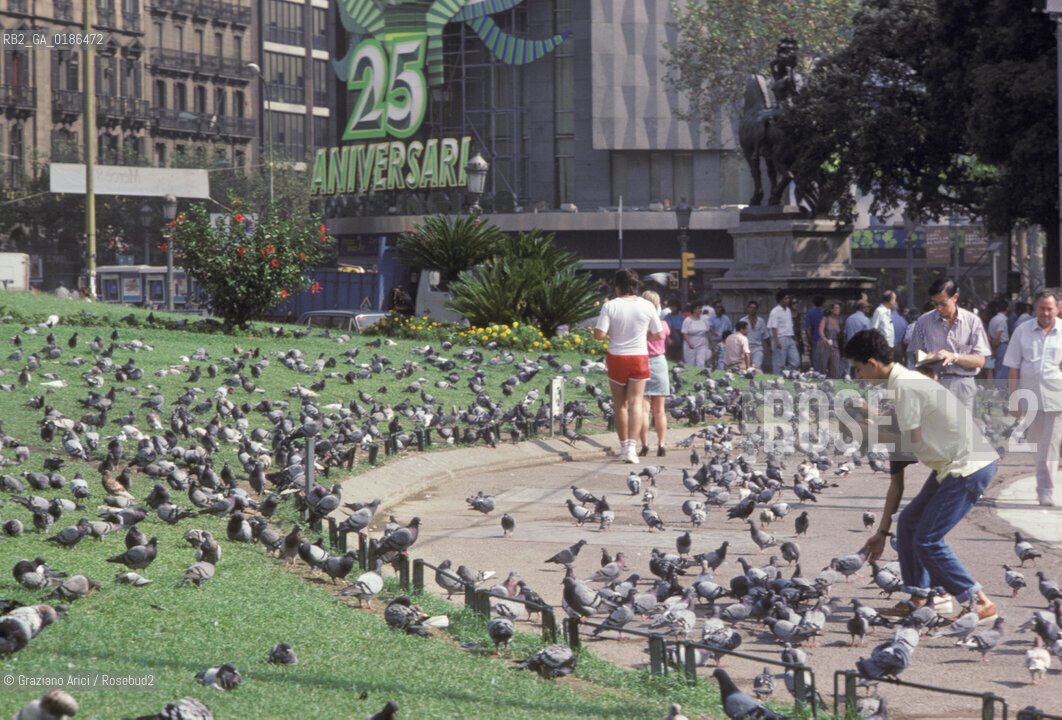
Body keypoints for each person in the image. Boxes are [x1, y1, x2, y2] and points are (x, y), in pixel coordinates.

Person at [846, 329, 999, 622]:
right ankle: (921, 599)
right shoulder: (903, 382)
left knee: (928, 540)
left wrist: (870, 430)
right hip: (954, 465)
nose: (859, 376)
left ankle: (978, 601)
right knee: (909, 524)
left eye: (858, 369)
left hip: (967, 466)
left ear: (872, 363)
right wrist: (881, 532)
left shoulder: (904, 386)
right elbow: (904, 452)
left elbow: (912, 445)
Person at [593, 269, 665, 464]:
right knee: (636, 404)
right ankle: (633, 448)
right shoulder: (647, 305)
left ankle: (624, 446)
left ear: (617, 287)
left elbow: (599, 335)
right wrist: (643, 336)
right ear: (636, 286)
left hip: (617, 357)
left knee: (620, 405)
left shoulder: (610, 306)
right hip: (640, 357)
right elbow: (659, 334)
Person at [1004, 289, 1062, 506]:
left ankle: (1045, 490)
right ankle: (1043, 479)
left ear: (1057, 309)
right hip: (1030, 399)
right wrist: (1013, 398)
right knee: (1036, 444)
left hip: (1057, 398)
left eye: (1050, 309)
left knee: (1050, 446)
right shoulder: (1022, 331)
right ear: (1035, 308)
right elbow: (1013, 368)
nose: (1046, 313)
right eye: (1042, 308)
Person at [906, 277, 991, 410]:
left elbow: (980, 360)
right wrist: (927, 368)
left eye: (943, 303)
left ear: (955, 297)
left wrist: (955, 357)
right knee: (935, 428)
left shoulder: (972, 322)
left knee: (962, 428)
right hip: (934, 384)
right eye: (935, 303)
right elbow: (914, 353)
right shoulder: (924, 322)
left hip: (963, 385)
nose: (939, 308)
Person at [638, 290, 671, 457]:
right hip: (659, 363)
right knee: (659, 410)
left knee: (643, 409)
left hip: (642, 361)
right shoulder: (663, 325)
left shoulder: (639, 324)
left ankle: (644, 444)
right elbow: (665, 335)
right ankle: (662, 444)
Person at [767, 290, 799, 374]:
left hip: (789, 338)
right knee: (779, 363)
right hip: (780, 338)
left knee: (795, 361)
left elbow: (790, 326)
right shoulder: (775, 311)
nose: (788, 300)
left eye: (788, 298)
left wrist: (794, 339)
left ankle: (785, 373)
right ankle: (778, 379)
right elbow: (773, 327)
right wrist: (776, 341)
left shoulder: (788, 310)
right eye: (785, 298)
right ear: (780, 300)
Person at [814, 301, 843, 379]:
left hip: (835, 345)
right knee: (823, 369)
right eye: (836, 308)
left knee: (835, 367)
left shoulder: (839, 321)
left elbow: (840, 333)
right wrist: (824, 338)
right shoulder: (825, 319)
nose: (838, 309)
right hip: (824, 345)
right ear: (831, 309)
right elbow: (820, 330)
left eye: (839, 308)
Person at [986, 298, 1011, 388]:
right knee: (1002, 368)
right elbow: (997, 336)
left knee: (992, 369)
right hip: (1001, 345)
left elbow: (989, 335)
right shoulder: (1003, 319)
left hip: (991, 346)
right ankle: (1000, 389)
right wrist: (995, 347)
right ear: (1007, 308)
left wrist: (991, 348)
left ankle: (991, 389)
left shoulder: (993, 319)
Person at [740, 300, 770, 371]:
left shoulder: (761, 321)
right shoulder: (742, 321)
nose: (752, 310)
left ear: (756, 309)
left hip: (757, 348)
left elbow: (766, 335)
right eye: (750, 308)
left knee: (757, 367)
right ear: (747, 309)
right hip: (746, 347)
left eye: (754, 308)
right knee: (746, 368)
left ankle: (757, 380)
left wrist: (770, 346)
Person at [681, 301, 710, 368]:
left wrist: (710, 344)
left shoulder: (704, 319)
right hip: (691, 345)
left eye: (701, 308)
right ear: (694, 309)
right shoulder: (687, 320)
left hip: (702, 344)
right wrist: (689, 343)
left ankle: (700, 377)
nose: (700, 310)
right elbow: (684, 333)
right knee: (691, 364)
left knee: (701, 363)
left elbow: (707, 332)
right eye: (698, 308)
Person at [708, 301, 732, 371]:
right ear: (714, 308)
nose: (719, 309)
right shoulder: (711, 318)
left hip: (724, 342)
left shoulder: (726, 318)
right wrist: (711, 343)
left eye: (721, 307)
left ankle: (721, 371)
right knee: (714, 357)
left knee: (722, 358)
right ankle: (710, 370)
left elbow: (730, 330)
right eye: (717, 307)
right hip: (714, 341)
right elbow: (709, 329)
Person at [804, 296, 825, 371]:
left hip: (815, 341)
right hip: (826, 341)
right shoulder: (826, 313)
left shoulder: (810, 313)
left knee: (816, 364)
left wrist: (810, 340)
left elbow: (807, 328)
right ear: (823, 303)